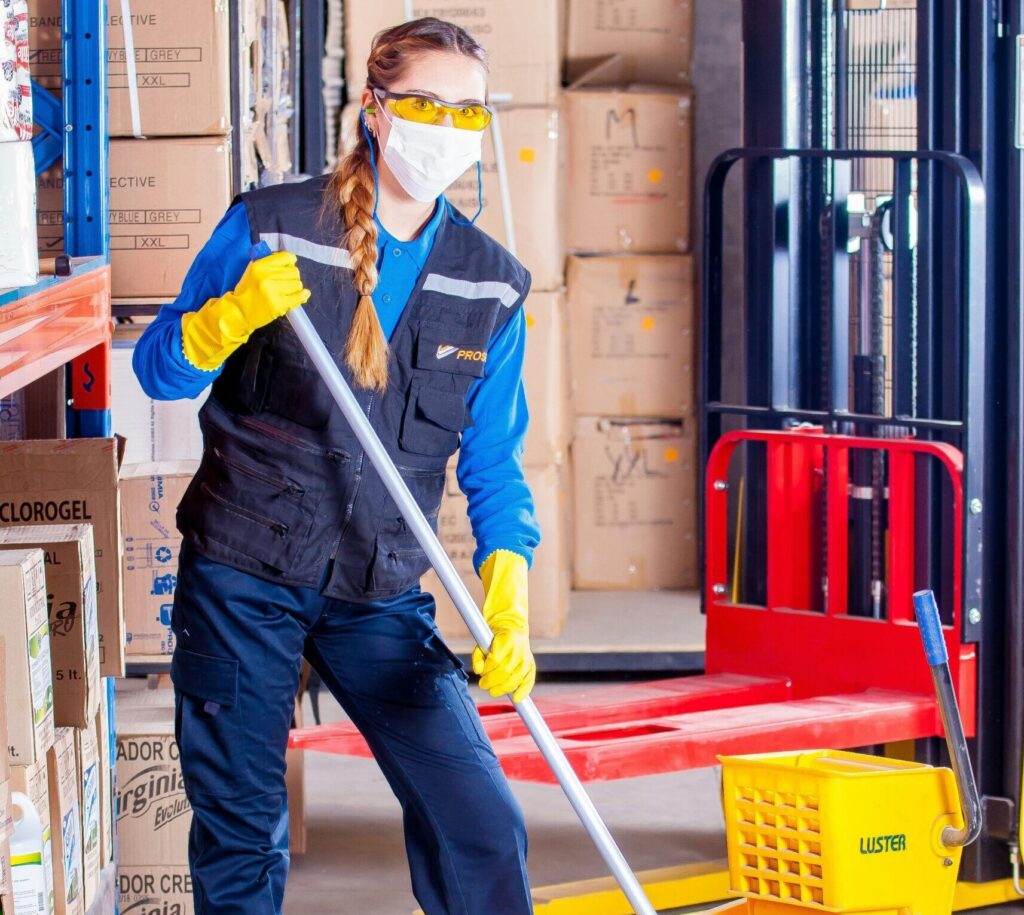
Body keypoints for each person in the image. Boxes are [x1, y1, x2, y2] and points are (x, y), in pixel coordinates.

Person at [132, 17, 539, 915]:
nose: (449, 128)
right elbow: (157, 368)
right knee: (243, 835)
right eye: (428, 104)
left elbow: (496, 469)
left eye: (469, 112)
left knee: (480, 820)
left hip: (378, 591)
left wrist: (508, 598)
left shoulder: (492, 284)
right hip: (243, 576)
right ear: (376, 108)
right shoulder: (273, 226)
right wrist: (226, 317)